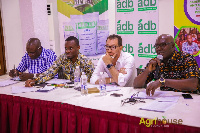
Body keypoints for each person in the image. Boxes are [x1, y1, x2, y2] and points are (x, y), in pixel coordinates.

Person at [133, 34, 199, 96]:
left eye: (163, 45)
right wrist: (147, 70)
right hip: (164, 99)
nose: (158, 48)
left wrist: (163, 81)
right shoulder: (155, 62)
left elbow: (193, 84)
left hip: (187, 99)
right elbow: (136, 85)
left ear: (173, 46)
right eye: (157, 46)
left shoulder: (187, 59)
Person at [25, 36, 94, 87]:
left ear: (78, 48)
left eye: (70, 48)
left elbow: (95, 78)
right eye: (66, 48)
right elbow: (50, 72)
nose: (67, 51)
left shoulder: (86, 61)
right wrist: (35, 80)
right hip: (66, 89)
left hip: (82, 89)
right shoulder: (62, 58)